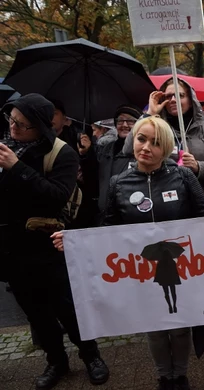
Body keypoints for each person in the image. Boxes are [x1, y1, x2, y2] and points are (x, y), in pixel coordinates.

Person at [53, 116, 204, 390]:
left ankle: (180, 375)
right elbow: (107, 229)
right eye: (141, 139)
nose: (146, 147)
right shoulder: (118, 183)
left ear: (167, 147)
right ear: (133, 140)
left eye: (155, 143)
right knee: (155, 327)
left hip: (182, 268)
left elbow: (203, 215)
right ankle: (164, 376)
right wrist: (75, 240)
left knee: (181, 325)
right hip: (141, 272)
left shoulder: (183, 176)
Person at [0, 94, 109, 389]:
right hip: (12, 248)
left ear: (39, 128)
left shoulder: (62, 153)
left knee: (67, 307)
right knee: (35, 311)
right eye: (11, 119)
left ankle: (91, 356)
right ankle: (56, 361)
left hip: (49, 245)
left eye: (22, 124)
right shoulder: (6, 146)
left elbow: (56, 196)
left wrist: (17, 168)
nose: (13, 128)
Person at [146, 78, 204, 212]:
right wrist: (150, 115)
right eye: (168, 96)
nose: (173, 100)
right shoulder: (156, 128)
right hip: (166, 204)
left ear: (191, 99)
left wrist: (198, 166)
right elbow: (128, 149)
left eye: (180, 95)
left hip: (203, 203)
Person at [80, 105, 141, 222]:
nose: (124, 125)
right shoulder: (105, 149)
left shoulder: (141, 151)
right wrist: (87, 154)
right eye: (120, 120)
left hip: (130, 216)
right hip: (104, 215)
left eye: (130, 121)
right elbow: (93, 179)